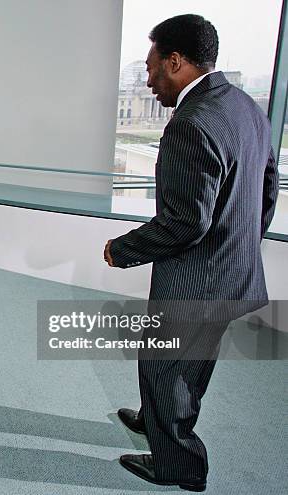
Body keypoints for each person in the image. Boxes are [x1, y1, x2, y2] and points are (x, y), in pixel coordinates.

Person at [103, 15, 279, 492]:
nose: (147, 79)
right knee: (187, 361)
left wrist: (122, 249)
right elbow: (267, 187)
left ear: (175, 62)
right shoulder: (245, 107)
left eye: (151, 66)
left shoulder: (191, 123)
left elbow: (185, 222)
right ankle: (155, 421)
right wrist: (241, 242)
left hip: (197, 280)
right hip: (232, 270)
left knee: (167, 365)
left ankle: (179, 464)